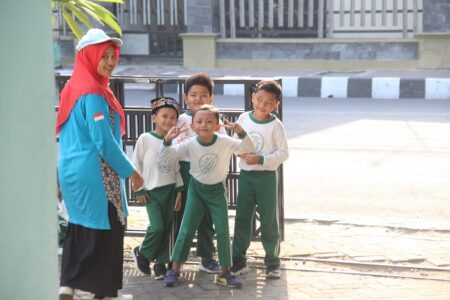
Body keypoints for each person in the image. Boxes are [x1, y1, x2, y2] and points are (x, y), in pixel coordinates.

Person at [56, 28, 144, 300]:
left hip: (71, 170)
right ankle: (105, 292)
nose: (109, 61)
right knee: (111, 225)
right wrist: (131, 172)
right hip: (95, 172)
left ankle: (68, 283)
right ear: (87, 57)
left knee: (80, 226)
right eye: (102, 56)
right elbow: (104, 142)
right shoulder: (93, 92)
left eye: (112, 55)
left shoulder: (73, 86)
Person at [162, 104, 255, 288]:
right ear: (193, 126)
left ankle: (225, 272)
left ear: (217, 125)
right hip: (196, 190)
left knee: (222, 231)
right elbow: (168, 157)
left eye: (209, 121)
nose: (204, 124)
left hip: (217, 191)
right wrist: (167, 140)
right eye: (199, 121)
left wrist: (241, 132)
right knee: (186, 229)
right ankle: (174, 269)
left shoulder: (224, 141)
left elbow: (249, 147)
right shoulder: (189, 144)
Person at [230, 80, 289, 279]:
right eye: (259, 99)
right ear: (252, 97)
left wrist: (261, 159)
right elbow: (238, 142)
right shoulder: (244, 118)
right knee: (242, 218)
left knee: (269, 220)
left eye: (269, 102)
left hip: (267, 178)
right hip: (246, 176)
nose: (262, 105)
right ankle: (238, 259)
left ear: (276, 105)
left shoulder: (276, 125)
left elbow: (283, 153)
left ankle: (272, 262)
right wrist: (239, 151)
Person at [173, 73, 228, 274]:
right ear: (185, 96)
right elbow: (173, 146)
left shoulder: (215, 119)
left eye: (204, 95)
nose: (198, 99)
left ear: (211, 98)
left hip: (209, 173)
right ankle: (176, 256)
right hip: (186, 171)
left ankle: (206, 256)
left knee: (206, 216)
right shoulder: (180, 120)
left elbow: (224, 143)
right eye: (193, 94)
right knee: (184, 216)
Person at [131, 97, 184, 280]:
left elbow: (176, 168)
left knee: (167, 228)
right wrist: (138, 189)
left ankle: (160, 265)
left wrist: (179, 191)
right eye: (164, 116)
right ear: (154, 118)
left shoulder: (174, 143)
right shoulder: (145, 139)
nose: (168, 121)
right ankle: (142, 252)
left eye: (172, 118)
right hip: (151, 192)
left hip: (169, 191)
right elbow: (135, 164)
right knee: (157, 227)